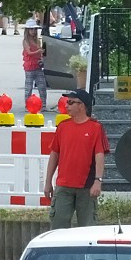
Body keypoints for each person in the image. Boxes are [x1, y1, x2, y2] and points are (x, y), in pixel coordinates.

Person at [44, 89, 110, 229]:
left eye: (70, 102)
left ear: (81, 105)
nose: (66, 106)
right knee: (58, 227)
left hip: (86, 187)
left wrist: (98, 181)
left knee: (87, 229)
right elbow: (54, 154)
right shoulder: (63, 127)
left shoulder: (95, 127)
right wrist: (48, 182)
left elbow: (99, 155)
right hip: (64, 186)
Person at [21, 17, 48, 107]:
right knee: (28, 87)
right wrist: (39, 51)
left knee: (42, 86)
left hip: (37, 65)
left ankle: (43, 105)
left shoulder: (37, 41)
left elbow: (40, 54)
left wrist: (41, 58)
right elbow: (29, 52)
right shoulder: (25, 41)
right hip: (29, 66)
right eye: (31, 29)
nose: (33, 31)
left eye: (34, 29)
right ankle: (27, 105)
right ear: (27, 30)